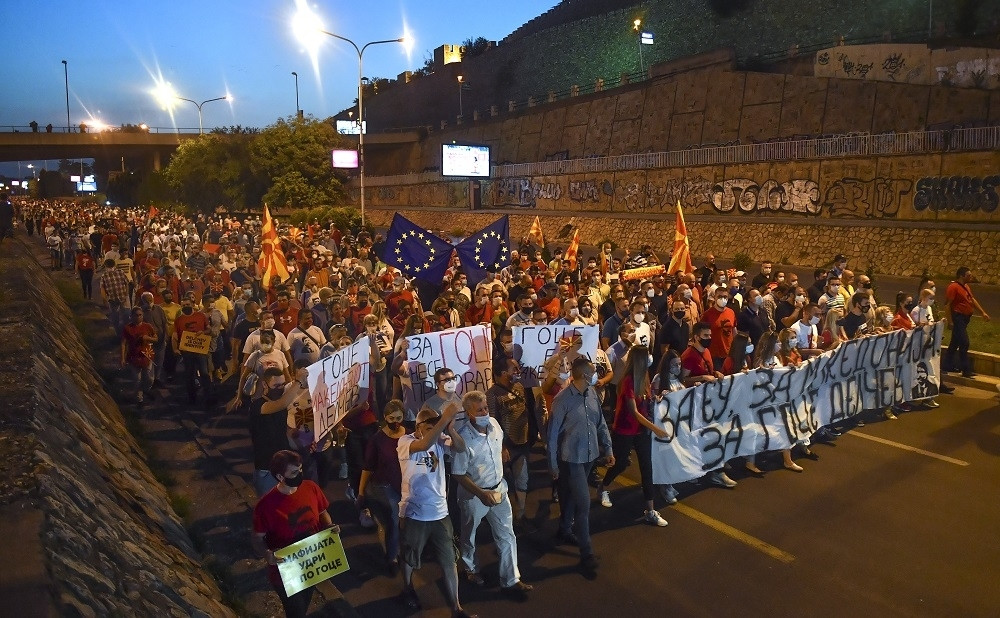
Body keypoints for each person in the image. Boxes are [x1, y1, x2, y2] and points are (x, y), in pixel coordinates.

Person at [453, 391, 533, 600]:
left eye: (486, 408)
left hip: (499, 490)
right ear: (469, 412)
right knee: (469, 535)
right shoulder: (463, 440)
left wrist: (503, 449)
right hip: (474, 496)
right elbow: (459, 475)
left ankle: (511, 579)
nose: (485, 412)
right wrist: (480, 494)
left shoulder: (495, 424)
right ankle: (471, 569)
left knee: (507, 535)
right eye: (479, 410)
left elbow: (499, 441)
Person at [397, 405, 476, 618]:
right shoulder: (405, 442)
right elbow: (424, 444)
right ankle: (407, 588)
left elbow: (460, 448)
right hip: (415, 511)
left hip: (440, 513)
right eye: (430, 426)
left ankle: (456, 608)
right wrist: (444, 420)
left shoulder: (440, 439)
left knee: (449, 560)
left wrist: (450, 429)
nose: (435, 430)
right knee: (411, 556)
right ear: (419, 426)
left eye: (436, 425)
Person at [252, 450, 339, 618]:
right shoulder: (265, 506)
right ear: (279, 477)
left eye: (300, 469)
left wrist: (330, 526)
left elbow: (322, 512)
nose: (299, 474)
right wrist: (267, 554)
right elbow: (257, 538)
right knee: (296, 612)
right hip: (286, 571)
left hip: (311, 563)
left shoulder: (311, 488)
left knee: (303, 605)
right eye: (293, 472)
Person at [548, 356, 614, 572]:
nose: (596, 374)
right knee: (583, 504)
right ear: (585, 375)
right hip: (571, 459)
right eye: (593, 371)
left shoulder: (592, 393)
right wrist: (553, 465)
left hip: (590, 456)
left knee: (571, 497)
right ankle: (587, 553)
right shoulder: (562, 400)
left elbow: (601, 423)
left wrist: (608, 448)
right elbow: (551, 435)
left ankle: (564, 529)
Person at [597, 345, 669, 527]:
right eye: (647, 357)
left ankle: (650, 510)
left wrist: (657, 398)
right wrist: (655, 429)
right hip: (625, 429)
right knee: (620, 463)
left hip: (641, 430)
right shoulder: (628, 380)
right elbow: (634, 412)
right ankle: (603, 486)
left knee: (647, 467)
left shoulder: (644, 376)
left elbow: (646, 398)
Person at [358, 399, 406, 575]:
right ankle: (392, 557)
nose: (395, 421)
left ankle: (397, 550)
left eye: (398, 417)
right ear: (385, 418)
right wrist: (361, 492)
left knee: (400, 523)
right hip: (383, 487)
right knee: (392, 521)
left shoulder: (409, 436)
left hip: (404, 487)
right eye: (391, 418)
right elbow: (368, 467)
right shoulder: (377, 439)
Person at [486, 358, 533, 524]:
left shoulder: (519, 387)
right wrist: (502, 446)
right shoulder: (492, 395)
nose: (518, 372)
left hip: (523, 443)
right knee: (505, 483)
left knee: (522, 479)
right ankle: (506, 516)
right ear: (503, 373)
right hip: (505, 447)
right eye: (514, 369)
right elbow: (492, 422)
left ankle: (520, 513)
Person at [943, 267, 991, 378]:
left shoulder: (966, 286)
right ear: (961, 276)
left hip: (965, 318)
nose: (971, 277)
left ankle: (947, 365)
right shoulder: (953, 287)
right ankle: (965, 369)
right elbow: (947, 305)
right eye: (968, 275)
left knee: (955, 342)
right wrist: (950, 321)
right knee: (964, 342)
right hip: (958, 317)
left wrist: (982, 312)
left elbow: (972, 300)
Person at [121, 306, 157, 405]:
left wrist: (147, 338)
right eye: (136, 315)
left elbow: (155, 338)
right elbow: (124, 343)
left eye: (140, 315)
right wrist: (123, 358)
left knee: (150, 379)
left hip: (147, 356)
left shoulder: (147, 326)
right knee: (137, 379)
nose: (138, 317)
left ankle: (146, 390)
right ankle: (139, 398)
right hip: (134, 356)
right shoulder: (128, 328)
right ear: (132, 316)